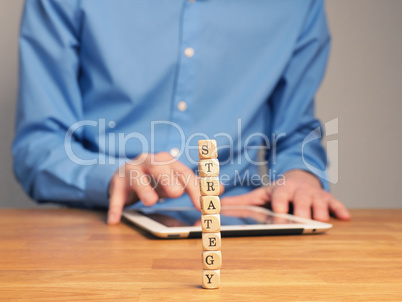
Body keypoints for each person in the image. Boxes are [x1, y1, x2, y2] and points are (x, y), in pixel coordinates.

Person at [13, 0, 351, 225]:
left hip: (238, 224)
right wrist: (111, 175)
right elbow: (39, 144)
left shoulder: (298, 7)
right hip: (100, 226)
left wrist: (299, 174)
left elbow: (294, 133)